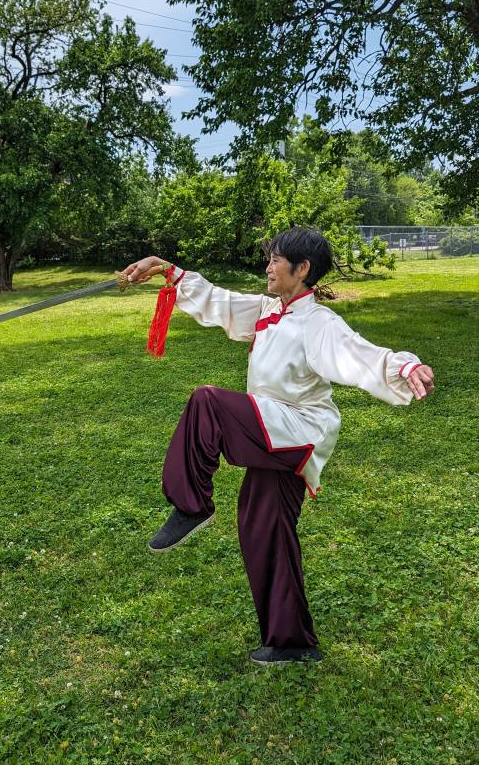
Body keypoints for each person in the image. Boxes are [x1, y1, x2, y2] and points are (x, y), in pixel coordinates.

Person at [122, 227, 435, 666]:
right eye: (268, 259)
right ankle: (291, 641)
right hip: (271, 427)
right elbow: (221, 302)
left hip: (297, 430)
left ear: (302, 269)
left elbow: (358, 354)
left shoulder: (318, 323)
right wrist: (167, 270)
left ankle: (192, 504)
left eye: (276, 260)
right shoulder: (270, 309)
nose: (268, 267)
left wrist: (405, 366)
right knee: (262, 530)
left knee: (208, 402)